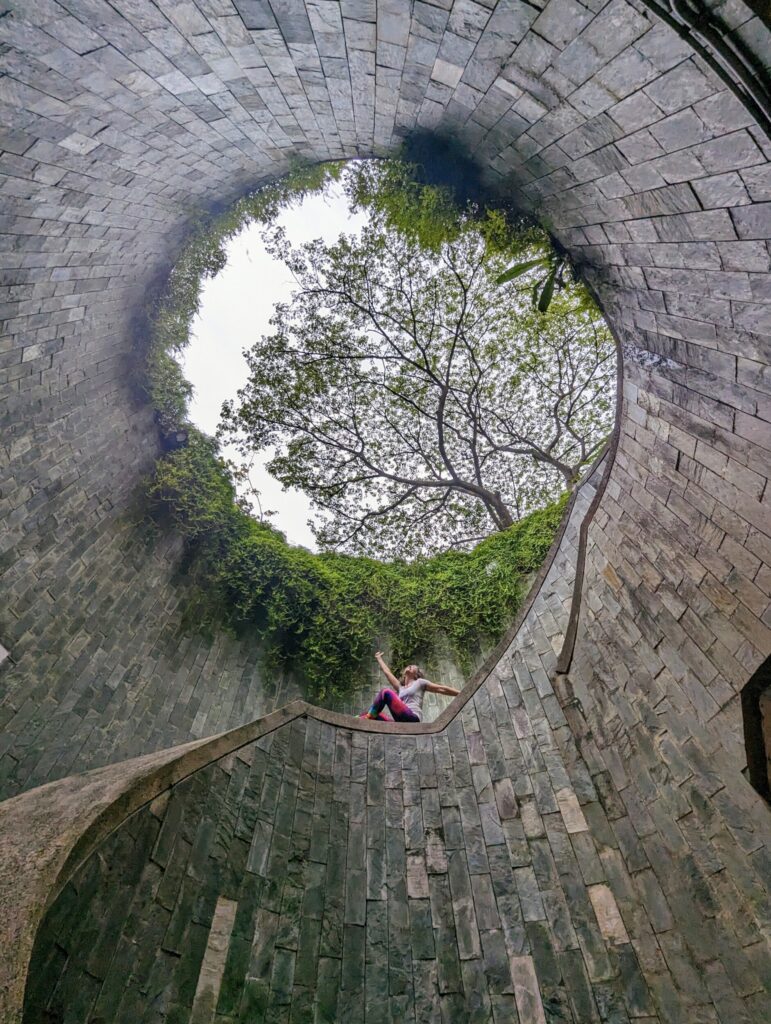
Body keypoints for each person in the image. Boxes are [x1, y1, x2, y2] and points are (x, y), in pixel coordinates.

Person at [359, 651, 461, 723]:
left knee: (385, 692)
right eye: (408, 666)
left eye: (413, 667)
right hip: (401, 721)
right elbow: (387, 673)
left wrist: (461, 694)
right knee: (367, 715)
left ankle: (368, 717)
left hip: (413, 717)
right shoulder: (400, 688)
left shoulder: (420, 683)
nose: (409, 666)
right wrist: (379, 658)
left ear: (416, 674)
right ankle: (359, 719)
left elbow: (441, 688)